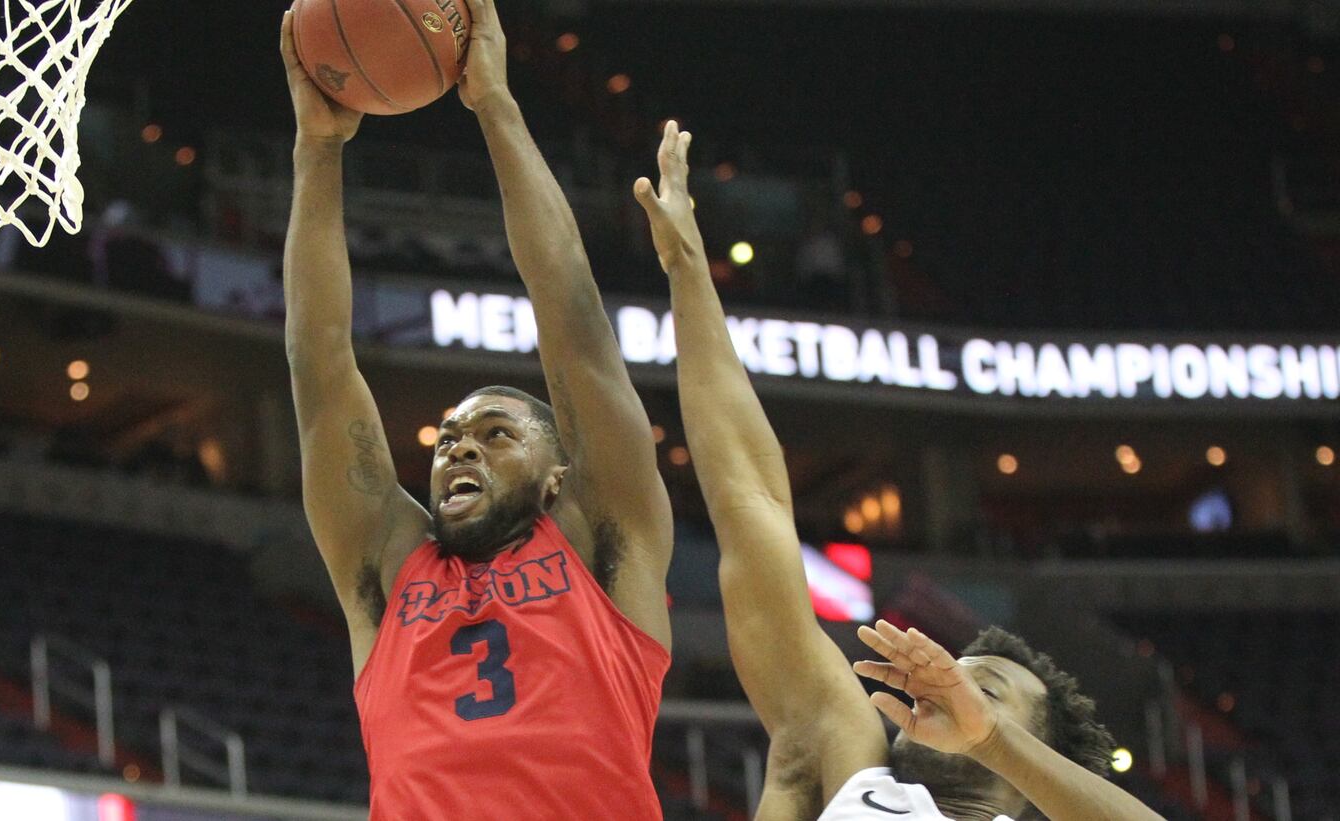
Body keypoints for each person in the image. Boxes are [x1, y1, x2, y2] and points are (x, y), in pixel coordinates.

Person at [632, 121, 1162, 821]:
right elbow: (750, 500)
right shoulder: (850, 766)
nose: (944, 691)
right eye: (950, 679)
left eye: (986, 692)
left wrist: (991, 740)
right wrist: (689, 273)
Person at [278, 2, 673, 818]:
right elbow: (319, 364)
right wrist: (317, 152)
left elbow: (572, 317)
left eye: (497, 434)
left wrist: (495, 102)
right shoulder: (390, 566)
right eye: (451, 437)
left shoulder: (602, 534)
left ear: (560, 471)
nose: (461, 449)